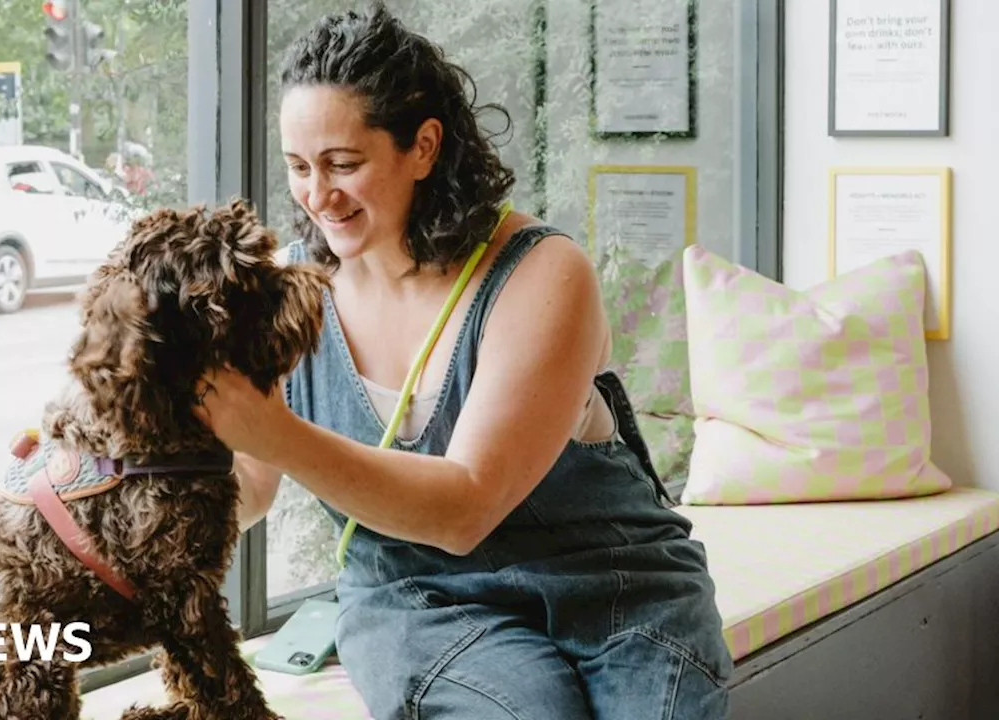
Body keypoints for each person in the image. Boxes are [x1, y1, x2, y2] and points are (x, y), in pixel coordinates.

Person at [194, 3, 733, 718]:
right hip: (415, 600)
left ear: (422, 146)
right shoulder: (286, 295)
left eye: (343, 164)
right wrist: (114, 481)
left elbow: (466, 506)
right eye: (298, 168)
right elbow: (251, 486)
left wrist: (274, 430)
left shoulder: (540, 273)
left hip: (615, 587)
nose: (316, 195)